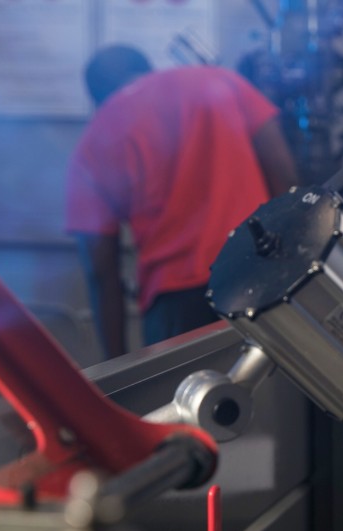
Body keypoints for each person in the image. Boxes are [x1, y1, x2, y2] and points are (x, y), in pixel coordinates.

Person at [66, 45, 297, 359]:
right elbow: (283, 173)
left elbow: (100, 269)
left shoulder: (96, 137)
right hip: (258, 276)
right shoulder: (218, 81)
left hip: (174, 304)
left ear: (96, 98)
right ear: (148, 67)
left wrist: (117, 369)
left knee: (187, 403)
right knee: (278, 399)